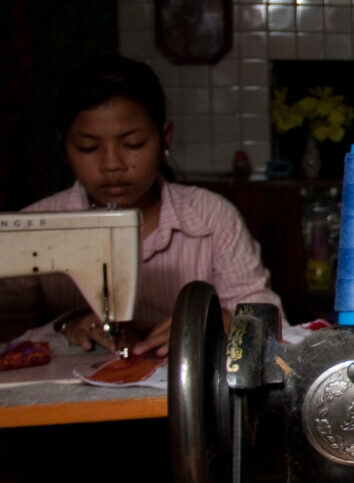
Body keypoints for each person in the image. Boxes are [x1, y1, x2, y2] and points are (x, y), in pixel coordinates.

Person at [2, 56, 281, 356]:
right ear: (63, 147)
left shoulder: (210, 218)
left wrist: (219, 321)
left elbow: (268, 320)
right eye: (88, 148)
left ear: (164, 138)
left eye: (133, 144)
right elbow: (8, 336)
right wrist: (66, 325)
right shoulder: (31, 230)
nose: (112, 165)